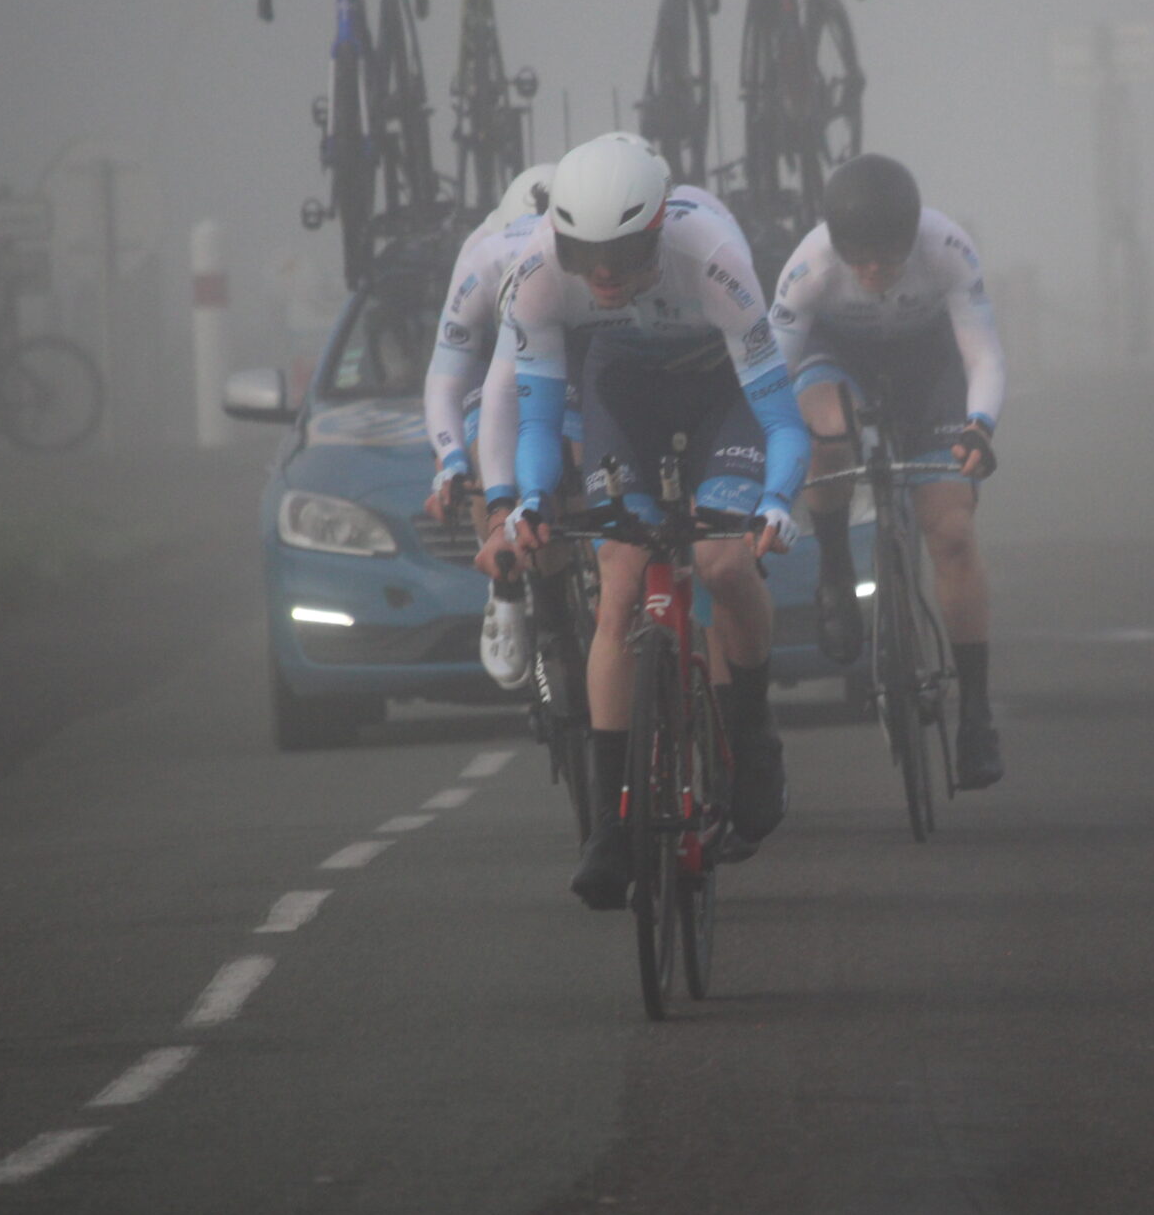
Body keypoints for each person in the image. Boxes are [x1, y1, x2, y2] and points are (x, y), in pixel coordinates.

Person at [473, 133, 808, 909]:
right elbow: (536, 419)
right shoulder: (536, 276)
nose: (602, 275)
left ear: (658, 230)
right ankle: (610, 825)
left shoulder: (714, 257)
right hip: (624, 390)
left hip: (722, 391)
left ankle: (752, 737)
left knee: (724, 562)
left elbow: (784, 421)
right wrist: (529, 498)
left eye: (622, 255)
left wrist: (777, 500)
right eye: (584, 254)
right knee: (620, 584)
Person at [770, 154, 1009, 789]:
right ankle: (834, 570)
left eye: (889, 256)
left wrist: (979, 426)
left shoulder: (947, 248)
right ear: (837, 243)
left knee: (951, 533)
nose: (874, 270)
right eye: (859, 257)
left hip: (929, 369)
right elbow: (769, 374)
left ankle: (976, 713)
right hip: (837, 359)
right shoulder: (809, 266)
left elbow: (983, 356)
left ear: (912, 236)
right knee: (829, 434)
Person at [421, 162, 558, 687]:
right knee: (484, 441)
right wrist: (453, 458)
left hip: (564, 340)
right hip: (491, 352)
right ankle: (505, 584)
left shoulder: (582, 254)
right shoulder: (481, 256)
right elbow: (445, 383)